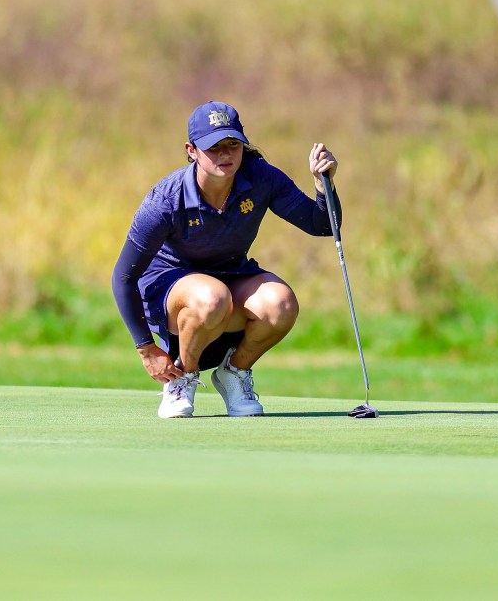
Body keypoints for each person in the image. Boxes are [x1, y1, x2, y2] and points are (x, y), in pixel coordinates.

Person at [111, 100, 340, 418]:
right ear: (191, 150)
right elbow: (124, 277)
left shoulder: (260, 178)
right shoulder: (166, 199)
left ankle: (234, 372)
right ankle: (182, 378)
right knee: (211, 297)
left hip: (229, 277)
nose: (225, 154)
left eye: (233, 145)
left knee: (281, 303)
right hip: (171, 288)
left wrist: (322, 182)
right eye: (213, 147)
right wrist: (146, 348)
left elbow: (322, 225)